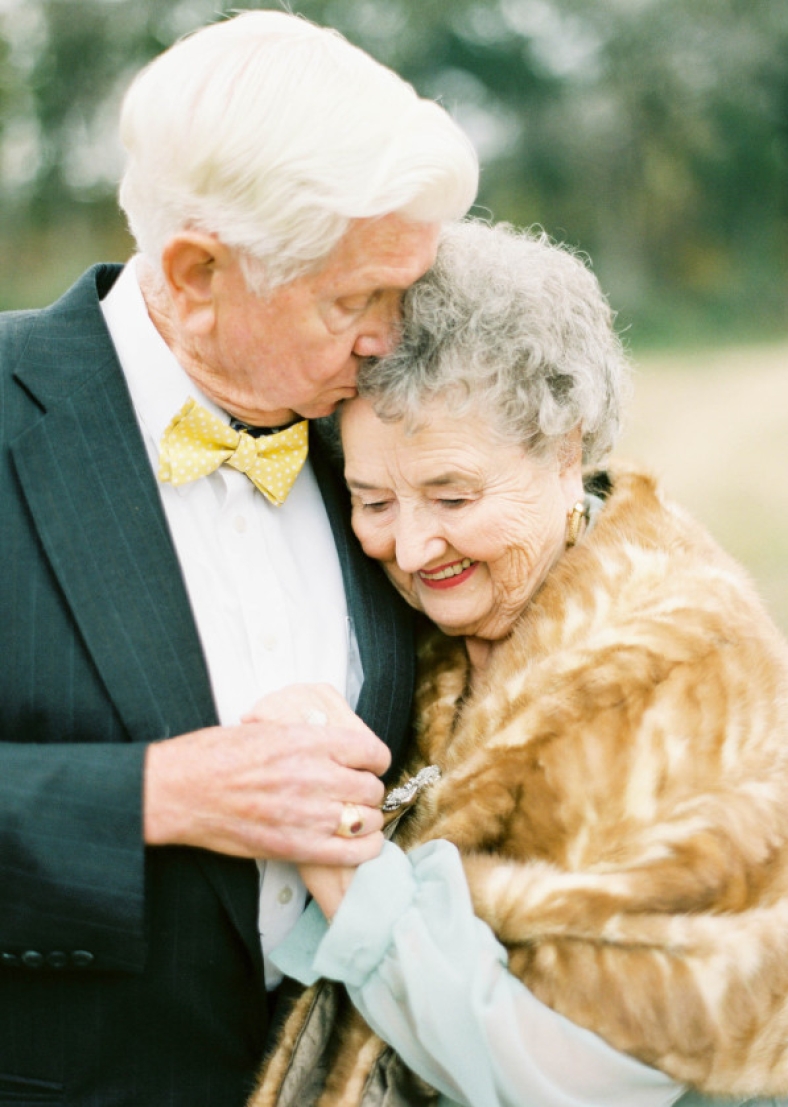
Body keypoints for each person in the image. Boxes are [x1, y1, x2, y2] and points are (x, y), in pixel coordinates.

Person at [0, 11, 479, 1105]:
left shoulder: (384, 429)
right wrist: (154, 795)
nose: (390, 338)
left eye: (403, 291)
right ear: (197, 271)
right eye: (354, 299)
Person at [247, 220, 788, 1107]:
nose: (411, 546)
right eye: (373, 501)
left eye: (452, 495)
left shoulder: (678, 671)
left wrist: (343, 862)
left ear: (566, 451)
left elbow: (574, 1081)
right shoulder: (427, 615)